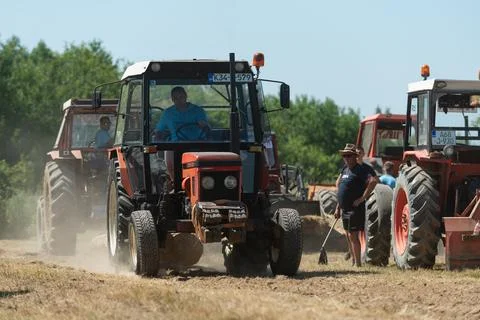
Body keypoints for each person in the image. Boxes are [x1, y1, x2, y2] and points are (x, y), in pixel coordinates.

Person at [334, 143, 378, 267]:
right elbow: (341, 189)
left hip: (355, 208)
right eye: (344, 156)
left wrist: (362, 198)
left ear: (354, 156)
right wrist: (338, 208)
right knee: (348, 235)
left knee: (353, 235)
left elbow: (373, 181)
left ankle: (358, 263)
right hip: (344, 208)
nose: (346, 158)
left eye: (349, 156)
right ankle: (354, 261)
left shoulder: (361, 169)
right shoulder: (345, 169)